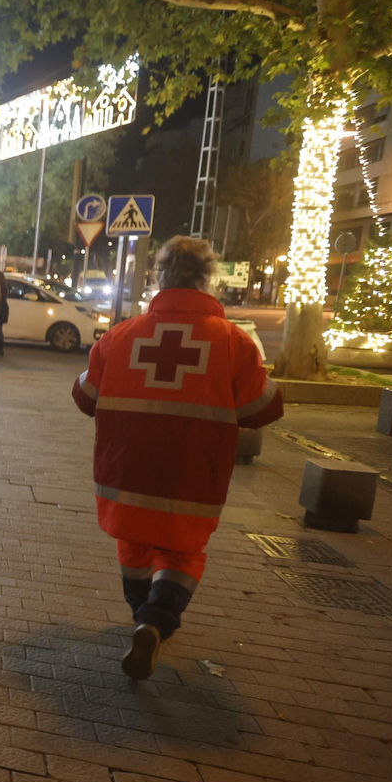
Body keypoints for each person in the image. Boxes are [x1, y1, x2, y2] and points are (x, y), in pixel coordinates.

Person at [72, 236, 283, 680]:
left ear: (159, 277)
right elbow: (263, 409)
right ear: (208, 279)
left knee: (134, 542)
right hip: (191, 477)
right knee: (183, 549)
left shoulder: (120, 336)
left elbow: (84, 396)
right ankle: (155, 621)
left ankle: (140, 613)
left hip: (126, 473)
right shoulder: (232, 343)